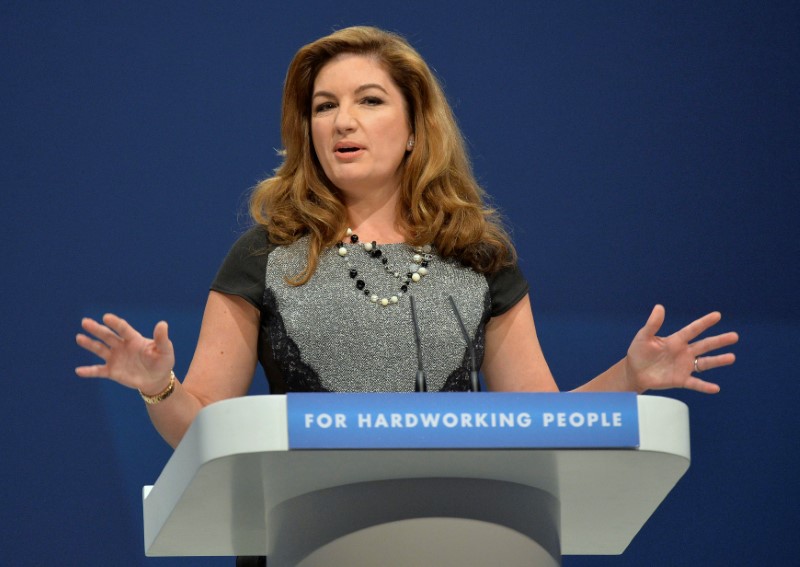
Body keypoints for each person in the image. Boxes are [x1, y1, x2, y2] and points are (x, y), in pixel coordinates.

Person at [75, 26, 738, 451]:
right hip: (304, 534)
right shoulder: (266, 256)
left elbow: (539, 425)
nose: (341, 121)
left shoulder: (479, 257)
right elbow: (204, 436)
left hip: (465, 529)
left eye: (368, 100)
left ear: (416, 124)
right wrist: (159, 386)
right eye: (323, 105)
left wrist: (631, 377)